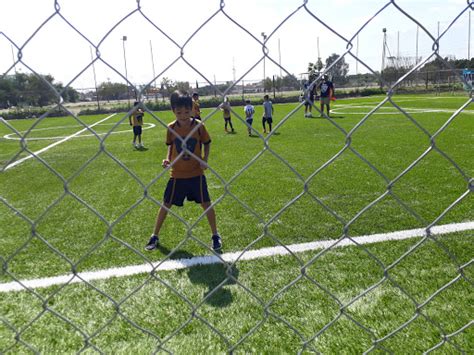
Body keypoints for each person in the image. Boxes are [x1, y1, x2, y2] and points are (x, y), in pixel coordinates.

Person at [145, 90, 222, 251]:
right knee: (165, 205)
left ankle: (215, 235)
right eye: (179, 112)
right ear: (173, 111)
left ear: (193, 109)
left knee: (207, 204)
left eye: (187, 111)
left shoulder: (199, 126)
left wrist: (205, 160)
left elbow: (207, 143)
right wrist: (167, 159)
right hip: (177, 175)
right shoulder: (171, 128)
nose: (183, 115)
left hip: (196, 174)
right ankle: (154, 235)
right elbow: (170, 147)